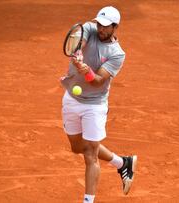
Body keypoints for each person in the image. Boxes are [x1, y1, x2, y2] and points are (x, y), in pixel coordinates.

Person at [60, 6, 137, 203]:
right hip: (72, 98)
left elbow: (98, 81)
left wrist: (85, 70)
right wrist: (78, 54)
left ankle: (88, 200)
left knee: (90, 154)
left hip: (94, 105)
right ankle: (122, 163)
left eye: (105, 26)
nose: (100, 29)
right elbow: (80, 39)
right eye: (99, 24)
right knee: (78, 147)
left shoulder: (117, 54)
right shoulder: (89, 28)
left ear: (115, 27)